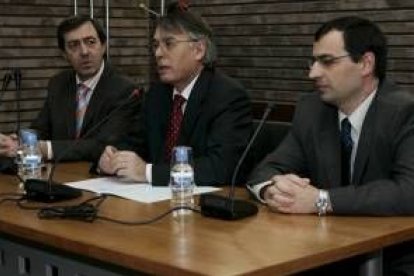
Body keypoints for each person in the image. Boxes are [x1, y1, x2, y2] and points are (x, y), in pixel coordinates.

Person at [248, 16, 414, 275]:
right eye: (313, 61)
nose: (313, 72)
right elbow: (267, 168)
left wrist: (321, 200)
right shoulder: (312, 110)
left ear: (366, 63)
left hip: (395, 259)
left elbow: (409, 191)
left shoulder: (404, 112)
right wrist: (274, 190)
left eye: (327, 61)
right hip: (324, 254)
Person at [97, 2, 252, 186]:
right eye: (155, 45)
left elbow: (220, 167)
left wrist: (147, 172)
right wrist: (112, 157)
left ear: (199, 50)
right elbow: (136, 143)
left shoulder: (228, 96)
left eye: (169, 44)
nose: (158, 53)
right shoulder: (157, 94)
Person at [0, 15, 140, 163]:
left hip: (100, 178)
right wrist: (15, 140)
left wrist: (45, 149)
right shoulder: (58, 84)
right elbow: (41, 129)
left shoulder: (126, 91)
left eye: (91, 42)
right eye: (74, 45)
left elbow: (104, 145)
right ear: (64, 54)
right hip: (61, 176)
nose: (84, 51)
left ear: (103, 46)